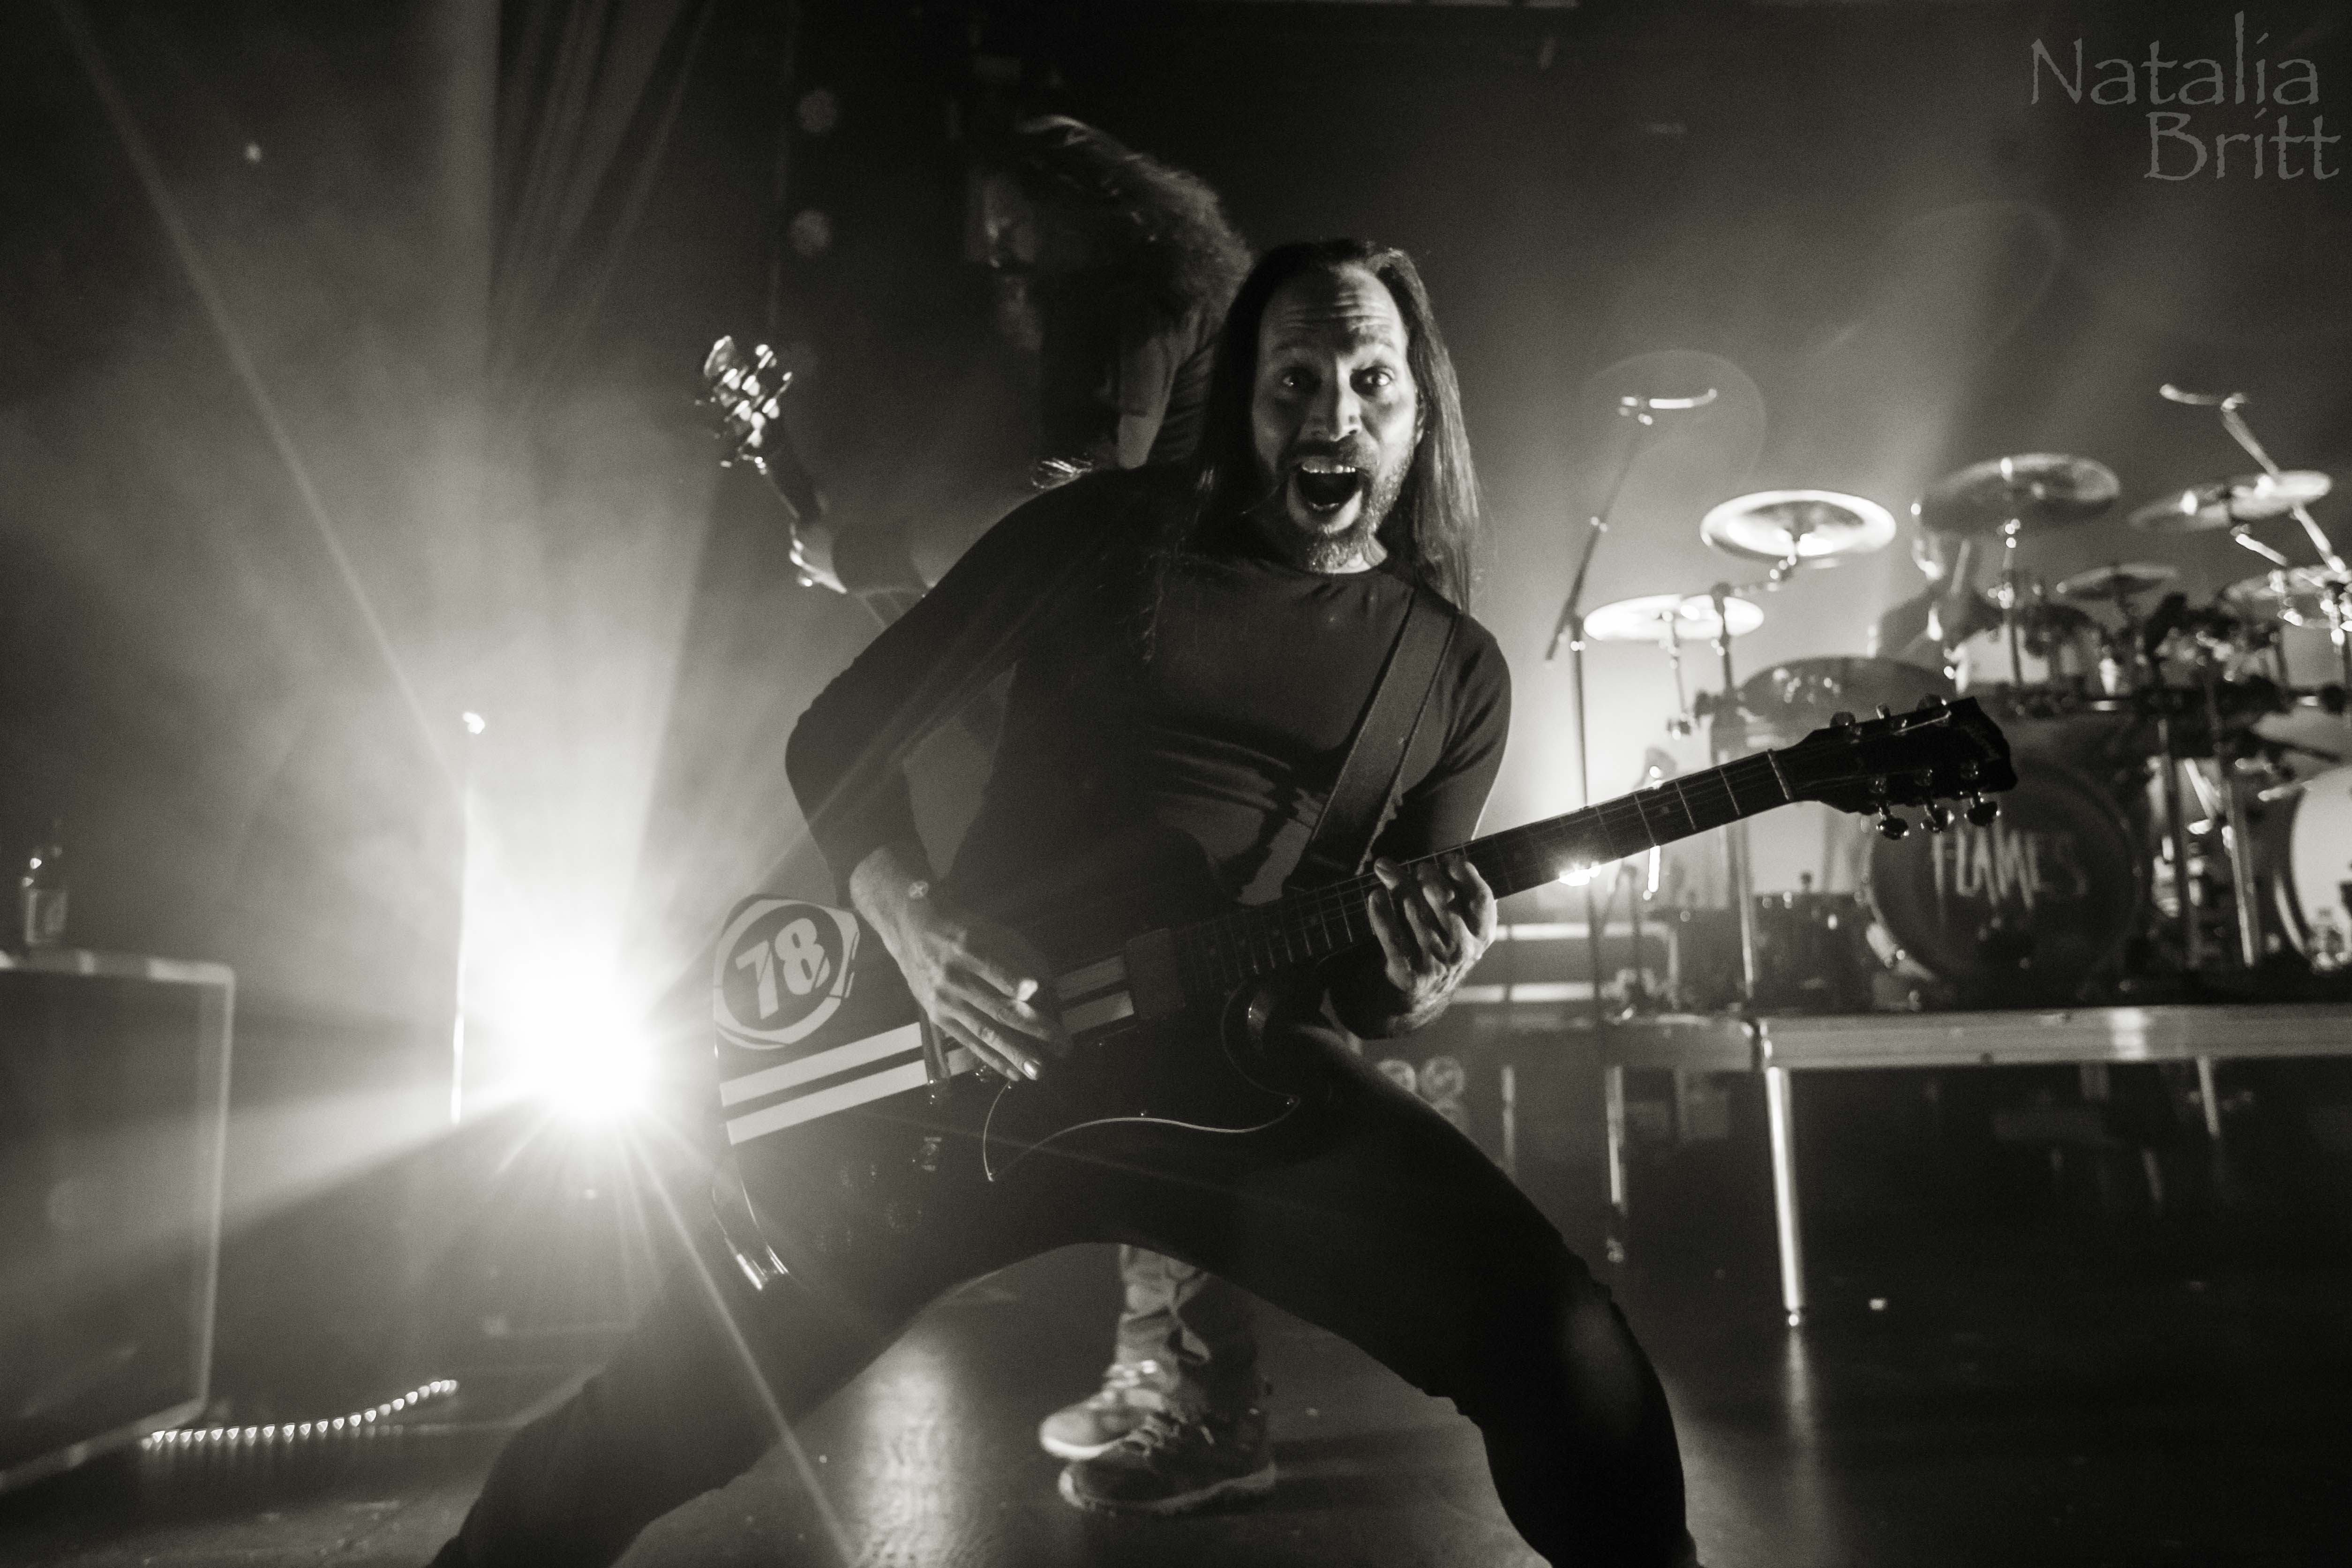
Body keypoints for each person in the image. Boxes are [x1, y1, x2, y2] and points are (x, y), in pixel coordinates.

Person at [428, 239, 1697, 1568]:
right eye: (1296, 381)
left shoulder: (1450, 671)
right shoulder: (1108, 534)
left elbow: (1363, 991)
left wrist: (1420, 975)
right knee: (658, 1418)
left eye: (1370, 380)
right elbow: (841, 729)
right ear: (1244, 402)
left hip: (1228, 1088)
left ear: (1421, 412)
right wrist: (914, 922)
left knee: (1556, 1340)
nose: (1333, 415)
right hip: (967, 1057)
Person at [779, 114, 1275, 1500]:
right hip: (1188, 700)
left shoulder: (1123, 303)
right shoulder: (1161, 299)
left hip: (1166, 719)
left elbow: (1069, 517)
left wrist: (862, 549)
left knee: (1153, 1036)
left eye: (1011, 225)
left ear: (1075, 205)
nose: (997, 255)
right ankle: (1163, 1368)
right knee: (1137, 1034)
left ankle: (1207, 1402)